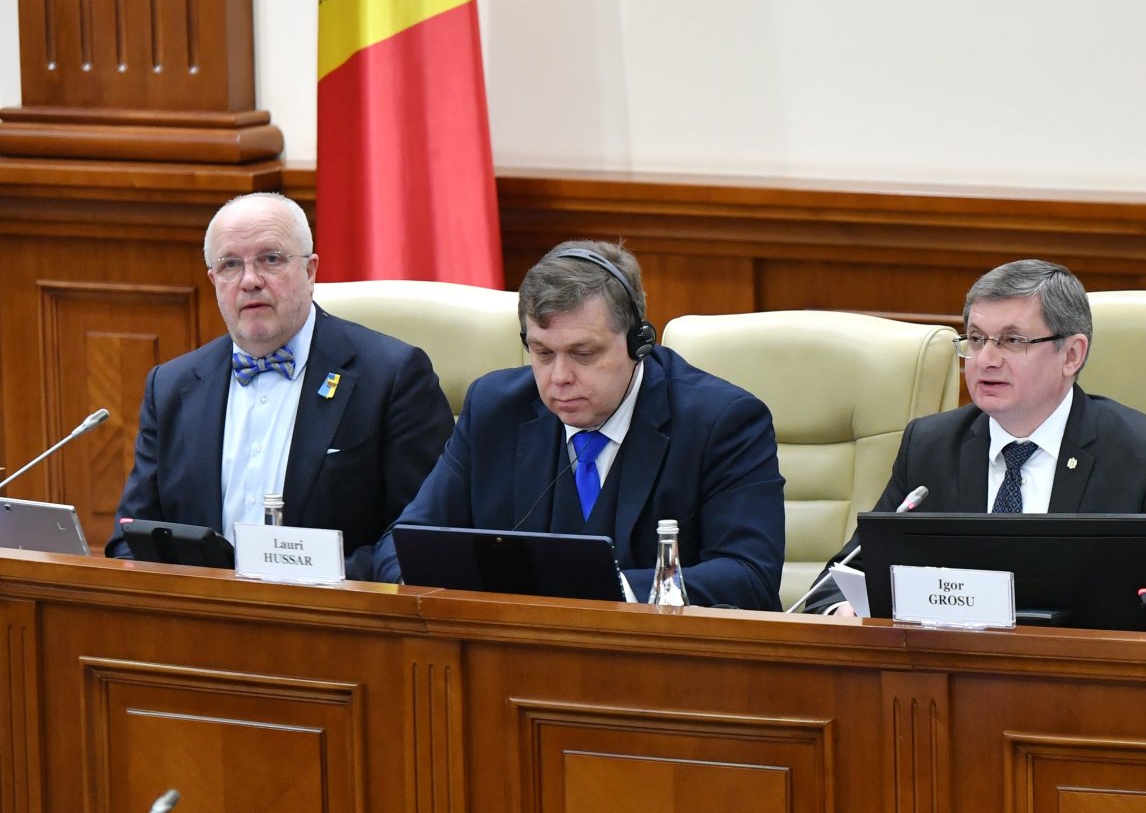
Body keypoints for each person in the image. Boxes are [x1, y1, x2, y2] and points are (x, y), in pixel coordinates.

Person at [373, 240, 785, 609]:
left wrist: (606, 590)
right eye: (542, 353)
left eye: (583, 354)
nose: (559, 377)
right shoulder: (495, 408)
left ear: (639, 343)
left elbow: (749, 575)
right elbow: (404, 542)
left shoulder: (721, 422)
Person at [803, 259, 1146, 615]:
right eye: (976, 339)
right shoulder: (932, 446)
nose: (986, 359)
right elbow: (839, 583)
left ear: (1072, 354)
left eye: (1012, 341)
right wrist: (843, 610)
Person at [107, 193, 453, 581]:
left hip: (332, 610)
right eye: (230, 265)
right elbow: (130, 538)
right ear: (213, 280)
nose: (250, 281)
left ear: (310, 271)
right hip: (201, 610)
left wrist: (312, 577)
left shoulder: (392, 377)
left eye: (270, 259)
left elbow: (417, 538)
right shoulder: (171, 386)